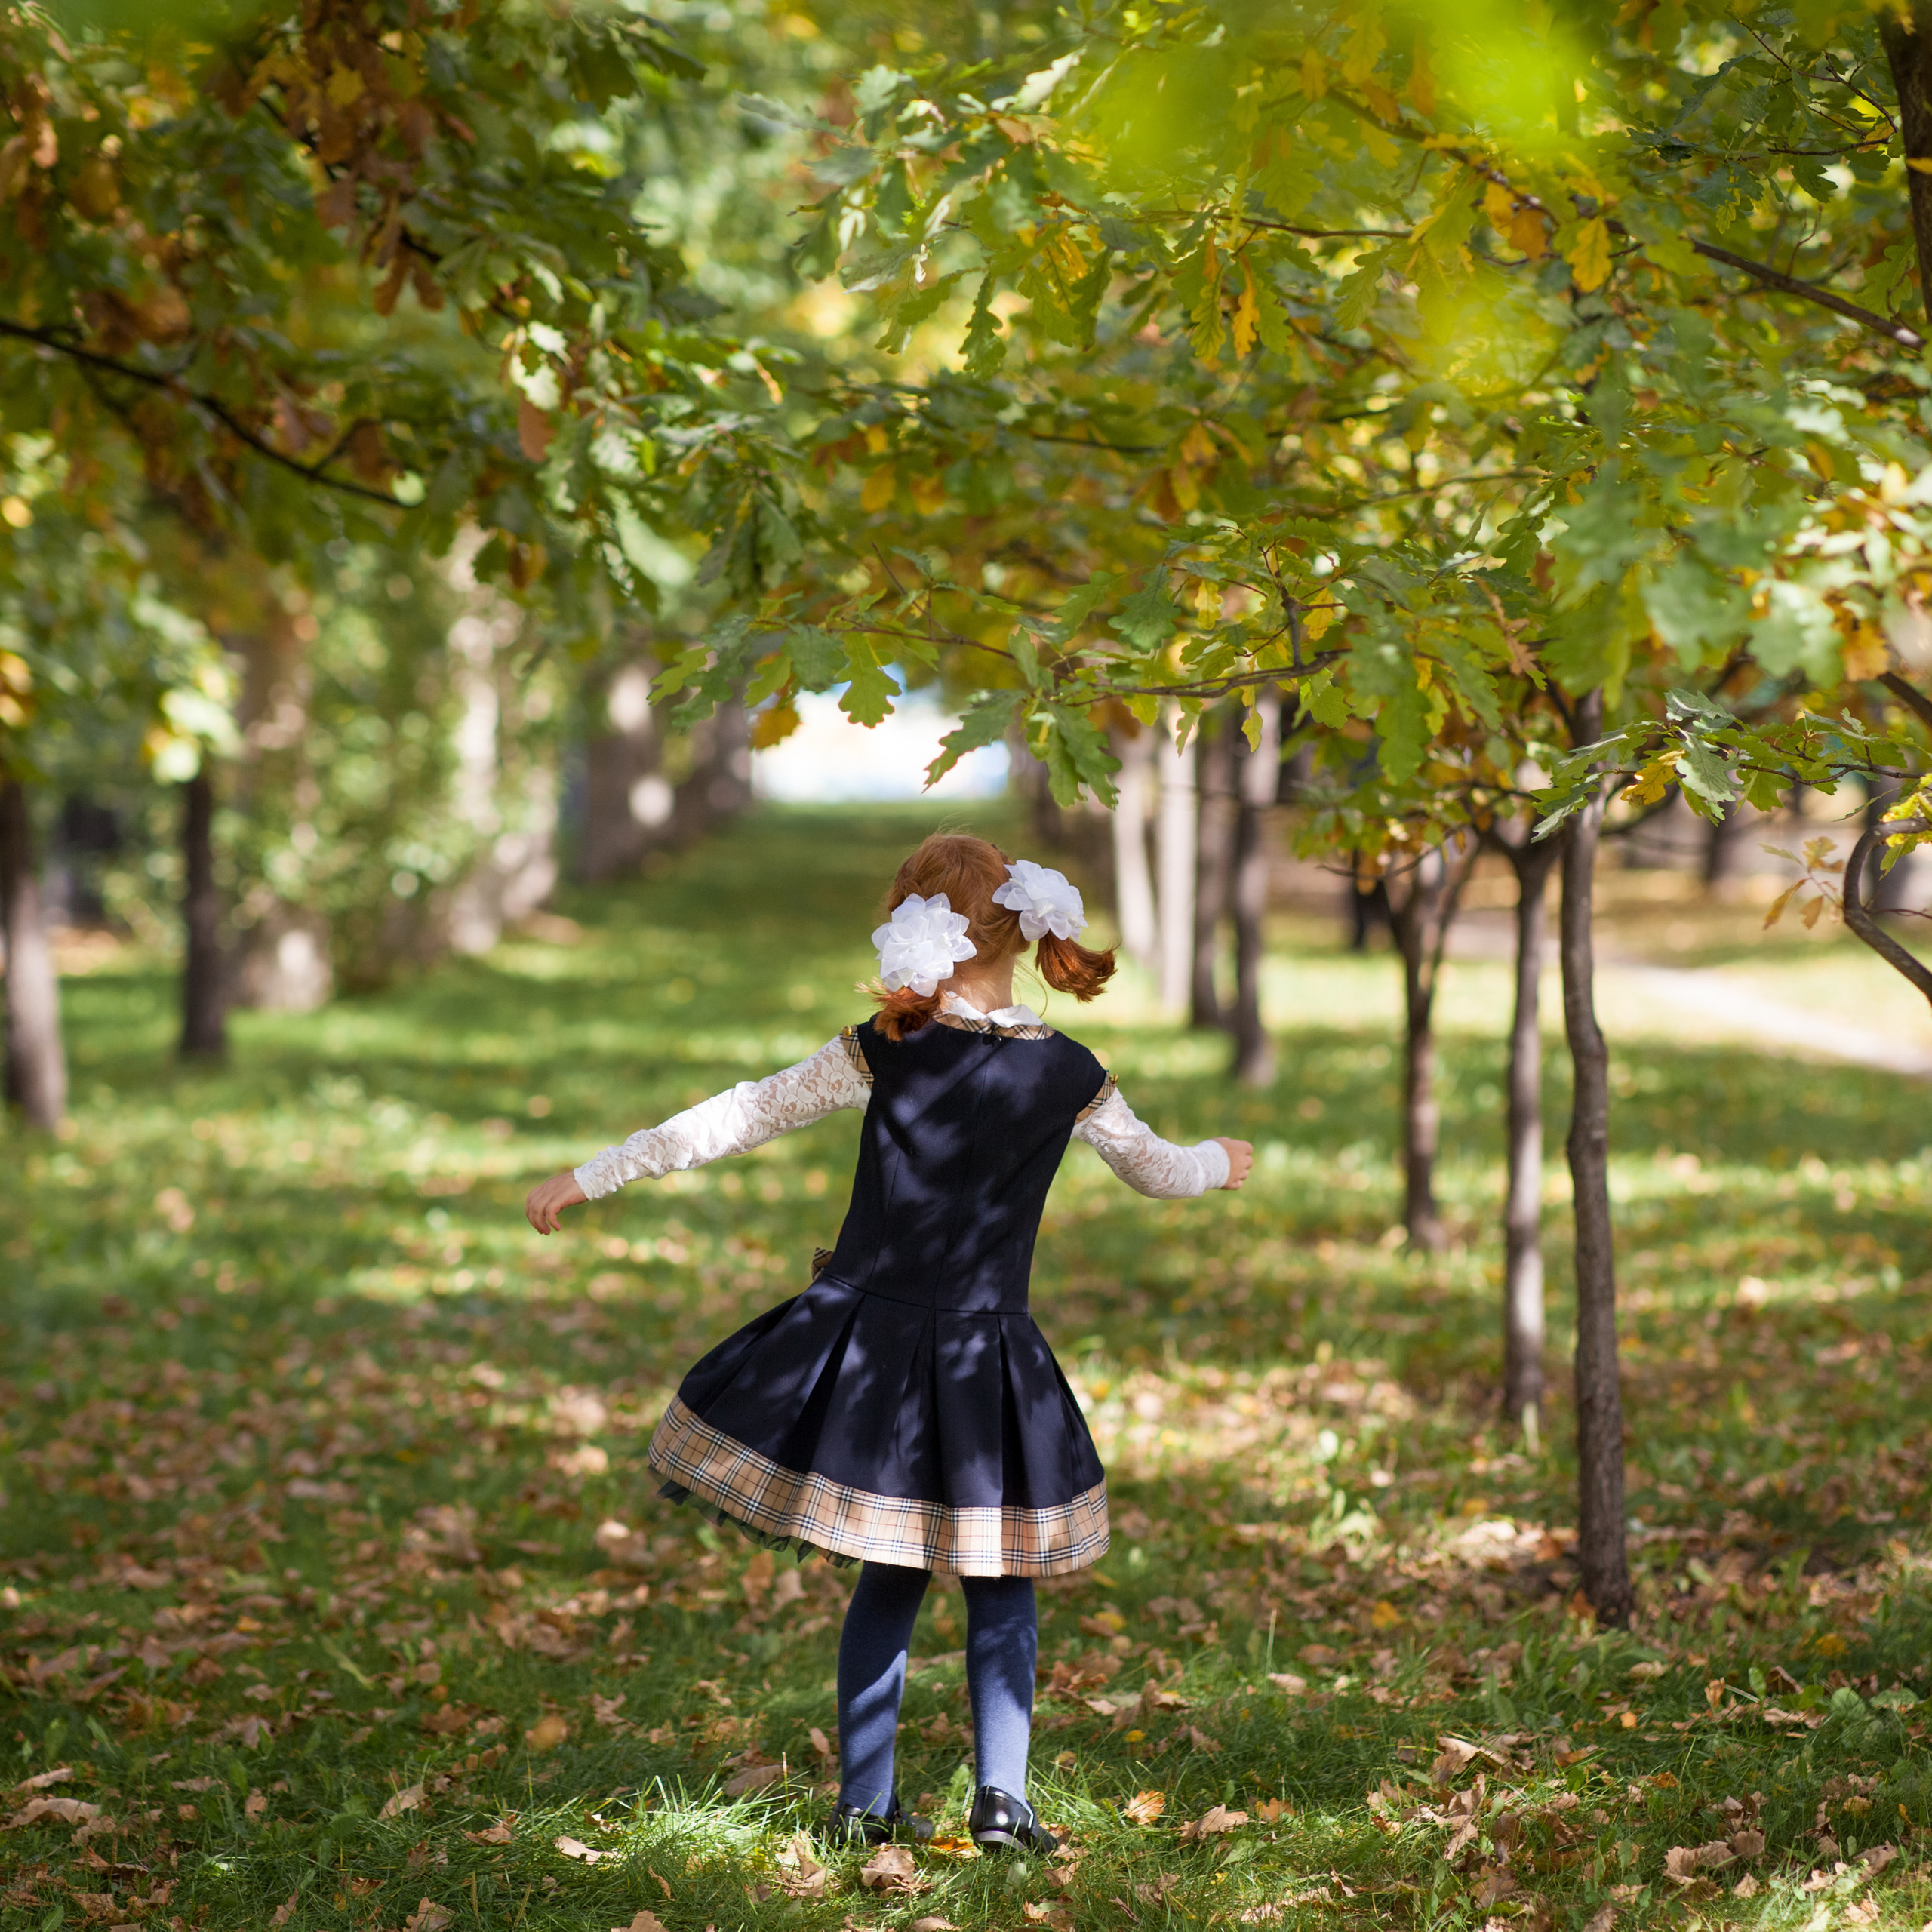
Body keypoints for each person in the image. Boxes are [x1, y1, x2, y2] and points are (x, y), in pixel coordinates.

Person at [525, 833, 1254, 1853]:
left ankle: (865, 1806)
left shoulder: (887, 1046)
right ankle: (1001, 1801)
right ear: (1021, 931)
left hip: (874, 1361)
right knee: (1002, 1582)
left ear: (921, 928)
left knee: (892, 1572)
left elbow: (740, 1116)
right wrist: (1217, 1161)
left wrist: (594, 1172)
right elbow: (1158, 1171)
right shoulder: (1072, 1074)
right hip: (989, 1364)